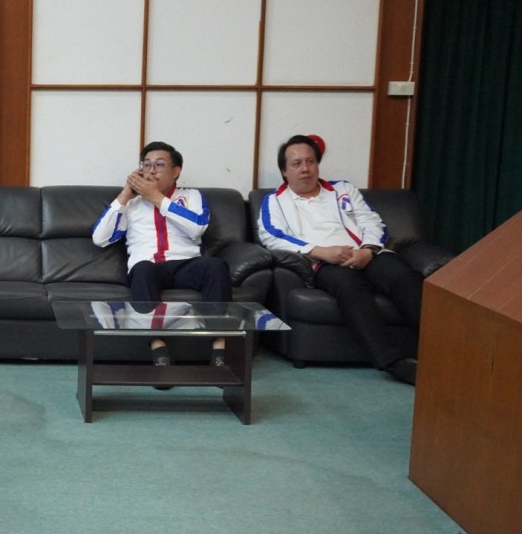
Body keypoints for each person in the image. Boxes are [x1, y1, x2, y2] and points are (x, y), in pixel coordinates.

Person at [256, 134, 422, 385]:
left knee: (405, 277)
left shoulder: (343, 190)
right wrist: (319, 251)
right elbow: (272, 236)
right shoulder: (275, 201)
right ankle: (392, 361)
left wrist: (367, 250)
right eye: (297, 164)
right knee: (349, 287)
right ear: (285, 171)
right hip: (324, 262)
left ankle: (441, 347)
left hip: (366, 253)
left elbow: (373, 222)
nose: (305, 169)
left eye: (310, 162)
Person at [91, 141, 231, 368]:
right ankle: (158, 347)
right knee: (141, 270)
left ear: (175, 172)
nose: (151, 170)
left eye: (159, 165)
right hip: (149, 267)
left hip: (187, 265)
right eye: (146, 165)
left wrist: (156, 197)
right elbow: (100, 238)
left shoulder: (192, 196)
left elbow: (197, 227)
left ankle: (219, 348)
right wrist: (126, 194)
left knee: (216, 267)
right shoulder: (132, 203)